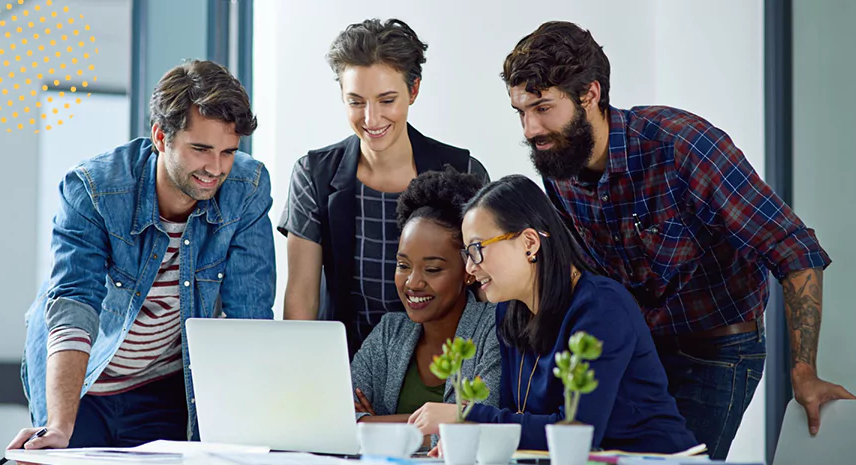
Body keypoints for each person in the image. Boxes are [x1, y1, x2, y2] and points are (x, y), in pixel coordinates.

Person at [500, 21, 856, 459]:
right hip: (639, 351)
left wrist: (804, 371)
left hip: (717, 350)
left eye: (542, 107)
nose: (530, 128)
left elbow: (794, 249)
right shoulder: (560, 164)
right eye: (520, 111)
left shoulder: (681, 144)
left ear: (590, 95)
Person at [9, 60, 276, 450]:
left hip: (162, 384)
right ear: (161, 137)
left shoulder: (246, 188)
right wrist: (60, 426)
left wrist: (253, 434)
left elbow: (249, 316)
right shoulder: (94, 189)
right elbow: (74, 306)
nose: (215, 168)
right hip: (84, 384)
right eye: (200, 149)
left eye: (228, 152)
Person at [410, 175, 698, 453]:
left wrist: (466, 417)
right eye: (467, 254)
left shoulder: (601, 307)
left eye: (477, 249)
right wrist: (472, 438)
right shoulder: (509, 312)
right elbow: (518, 417)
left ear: (529, 243)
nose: (470, 268)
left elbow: (578, 432)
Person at [279, 18, 489, 357]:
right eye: (356, 101)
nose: (371, 119)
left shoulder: (463, 172)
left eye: (386, 100)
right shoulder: (313, 175)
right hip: (345, 366)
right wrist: (308, 384)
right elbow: (301, 298)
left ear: (414, 90)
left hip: (442, 368)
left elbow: (484, 292)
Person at [352, 169, 500, 428]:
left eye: (432, 269)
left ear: (469, 271)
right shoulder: (389, 332)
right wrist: (440, 420)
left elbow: (479, 423)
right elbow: (341, 418)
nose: (413, 282)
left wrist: (373, 423)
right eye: (403, 265)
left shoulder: (493, 329)